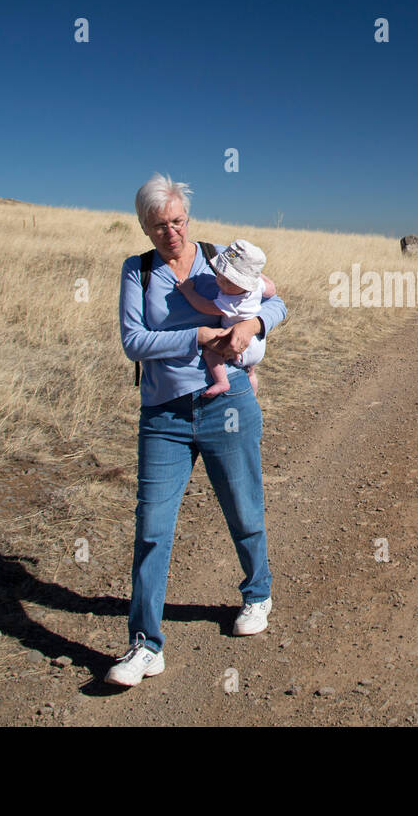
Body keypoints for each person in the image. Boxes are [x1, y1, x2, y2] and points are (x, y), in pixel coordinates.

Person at [107, 173, 288, 687]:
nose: (172, 233)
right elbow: (133, 342)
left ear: (189, 219)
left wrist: (252, 327)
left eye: (179, 221)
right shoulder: (138, 272)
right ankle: (145, 645)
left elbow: (277, 301)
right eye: (160, 225)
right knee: (152, 527)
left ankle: (257, 595)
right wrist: (198, 335)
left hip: (226, 402)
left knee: (244, 505)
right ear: (145, 227)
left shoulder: (217, 257)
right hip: (163, 415)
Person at [176, 239, 277, 397]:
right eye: (220, 275)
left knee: (210, 352)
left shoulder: (232, 301)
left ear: (244, 284)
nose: (221, 283)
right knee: (250, 374)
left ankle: (221, 381)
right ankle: (252, 397)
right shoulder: (257, 285)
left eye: (229, 282)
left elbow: (204, 306)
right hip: (258, 342)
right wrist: (256, 274)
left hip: (239, 345)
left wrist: (188, 291)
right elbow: (271, 290)